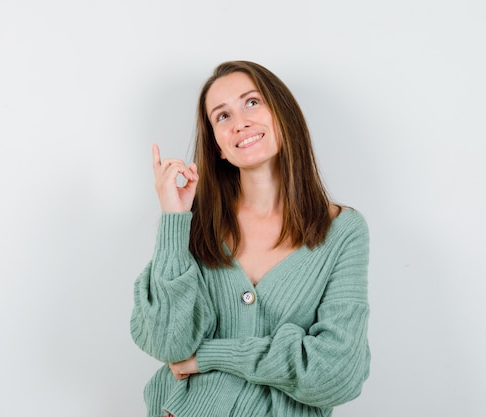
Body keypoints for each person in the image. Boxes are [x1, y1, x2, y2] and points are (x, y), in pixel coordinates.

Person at [130, 60, 370, 417]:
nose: (240, 121)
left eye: (252, 102)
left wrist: (211, 356)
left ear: (282, 116)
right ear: (219, 148)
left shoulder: (343, 231)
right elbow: (168, 343)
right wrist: (174, 220)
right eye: (222, 116)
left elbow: (336, 375)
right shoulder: (194, 226)